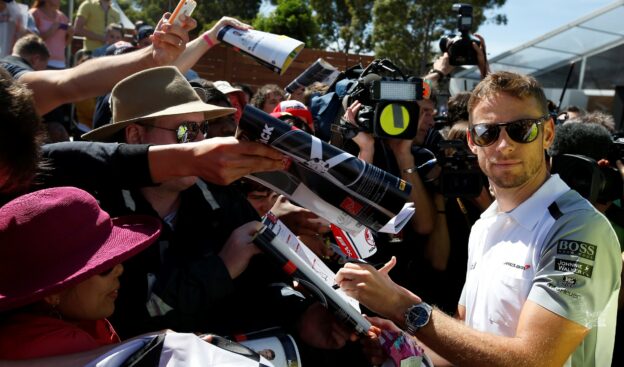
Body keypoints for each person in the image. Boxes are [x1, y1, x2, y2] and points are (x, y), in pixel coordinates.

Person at [336, 71, 622, 366]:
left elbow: (534, 361)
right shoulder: (486, 224)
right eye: (488, 132)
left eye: (521, 129)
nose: (503, 145)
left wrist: (402, 307)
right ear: (472, 141)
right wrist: (404, 345)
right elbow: (471, 339)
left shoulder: (578, 228)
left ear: (548, 133)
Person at [0, 186, 162, 360]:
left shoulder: (25, 330)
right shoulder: (65, 346)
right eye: (104, 267)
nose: (120, 269)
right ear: (53, 293)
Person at [28, 0, 72, 69]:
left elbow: (66, 43)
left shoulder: (62, 17)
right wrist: (51, 30)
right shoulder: (34, 13)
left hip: (60, 64)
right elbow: (30, 40)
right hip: (40, 63)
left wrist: (70, 34)